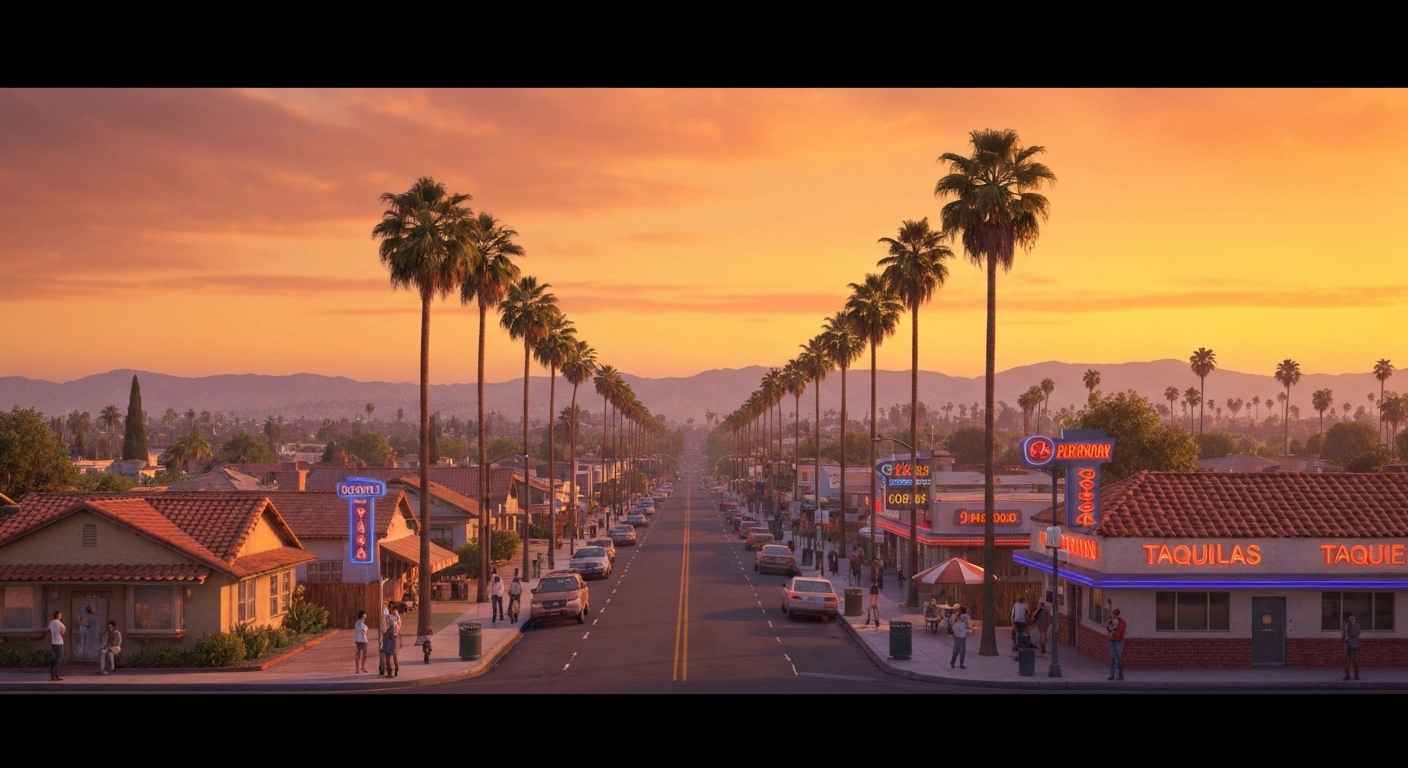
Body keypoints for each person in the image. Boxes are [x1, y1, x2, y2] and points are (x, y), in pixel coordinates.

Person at [1106, 607, 1126, 681]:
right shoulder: (1112, 621)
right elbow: (1108, 629)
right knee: (1113, 658)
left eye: (1114, 614)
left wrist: (1112, 633)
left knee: (1117, 657)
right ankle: (1113, 674)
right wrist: (1108, 624)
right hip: (1112, 641)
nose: (1113, 615)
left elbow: (1118, 632)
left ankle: (1119, 675)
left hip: (1118, 641)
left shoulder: (1121, 622)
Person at [949, 605, 971, 669]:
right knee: (962, 650)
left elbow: (950, 622)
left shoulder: (954, 615)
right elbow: (968, 625)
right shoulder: (965, 616)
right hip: (962, 635)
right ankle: (961, 664)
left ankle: (952, 663)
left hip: (955, 634)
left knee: (955, 649)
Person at [381, 606, 401, 677]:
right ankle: (396, 668)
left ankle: (390, 672)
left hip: (388, 638)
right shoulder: (396, 618)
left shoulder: (387, 618)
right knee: (394, 654)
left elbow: (385, 629)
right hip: (395, 638)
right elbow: (398, 626)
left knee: (388, 657)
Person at [1343, 613, 1362, 681]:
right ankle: (1352, 675)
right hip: (1352, 645)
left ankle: (1353, 675)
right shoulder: (1349, 626)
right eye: (1351, 618)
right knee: (1350, 661)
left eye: (1353, 618)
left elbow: (1345, 636)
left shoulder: (1350, 626)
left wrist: (1348, 638)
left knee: (1352, 661)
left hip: (1351, 645)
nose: (1352, 619)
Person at [48, 610, 65, 681]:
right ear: (58, 615)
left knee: (54, 659)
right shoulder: (60, 624)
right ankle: (56, 675)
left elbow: (49, 629)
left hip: (53, 643)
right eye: (60, 615)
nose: (61, 616)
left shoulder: (51, 623)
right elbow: (62, 631)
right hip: (59, 643)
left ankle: (53, 675)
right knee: (59, 659)